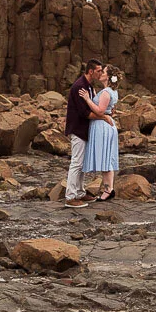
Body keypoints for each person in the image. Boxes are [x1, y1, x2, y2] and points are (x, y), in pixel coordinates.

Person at [61, 60, 107, 207]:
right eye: (99, 71)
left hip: (84, 130)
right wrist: (104, 117)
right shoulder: (79, 87)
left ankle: (80, 192)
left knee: (82, 163)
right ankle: (70, 196)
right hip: (78, 129)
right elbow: (85, 113)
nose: (101, 73)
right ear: (91, 71)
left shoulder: (88, 85)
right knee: (76, 162)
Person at [82, 71, 120, 199]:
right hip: (106, 125)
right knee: (107, 157)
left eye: (103, 72)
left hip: (103, 126)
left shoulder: (106, 92)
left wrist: (87, 99)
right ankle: (109, 189)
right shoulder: (112, 91)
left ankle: (108, 190)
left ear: (108, 77)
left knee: (106, 158)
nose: (101, 73)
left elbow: (100, 111)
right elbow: (110, 109)